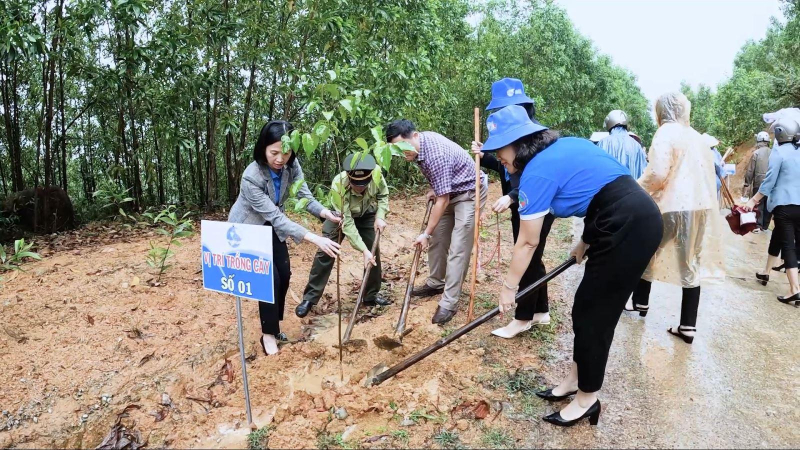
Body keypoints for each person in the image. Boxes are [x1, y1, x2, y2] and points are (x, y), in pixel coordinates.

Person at [482, 105, 662, 427]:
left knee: (596, 315)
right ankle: (573, 381)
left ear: (520, 143)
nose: (499, 158)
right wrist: (586, 241)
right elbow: (602, 190)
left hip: (627, 225)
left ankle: (587, 399)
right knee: (585, 309)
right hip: (625, 217)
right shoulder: (566, 145)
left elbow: (527, 242)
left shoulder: (536, 172)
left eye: (500, 149)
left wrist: (509, 288)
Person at [228, 121, 342, 356]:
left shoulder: (291, 163)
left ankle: (274, 324)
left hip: (273, 224)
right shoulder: (251, 177)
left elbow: (304, 195)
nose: (280, 159)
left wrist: (324, 212)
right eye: (274, 153)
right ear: (263, 149)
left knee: (285, 273)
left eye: (286, 152)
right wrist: (314, 238)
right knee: (269, 279)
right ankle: (268, 334)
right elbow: (274, 216)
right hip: (249, 227)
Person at [630, 92, 726, 344]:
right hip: (700, 206)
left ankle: (640, 303)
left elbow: (659, 173)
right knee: (690, 262)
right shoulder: (696, 137)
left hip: (672, 207)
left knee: (645, 250)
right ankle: (688, 325)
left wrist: (637, 188)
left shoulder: (665, 133)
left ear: (661, 111)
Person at [473, 77, 554, 337]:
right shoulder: (509, 138)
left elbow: (537, 178)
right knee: (534, 255)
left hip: (534, 204)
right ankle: (541, 311)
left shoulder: (536, 140)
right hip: (520, 204)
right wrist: (486, 155)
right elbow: (505, 167)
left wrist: (511, 197)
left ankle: (522, 317)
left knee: (528, 254)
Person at [386, 119, 487, 324]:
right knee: (439, 239)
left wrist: (425, 232)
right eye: (395, 149)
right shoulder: (418, 147)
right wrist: (436, 187)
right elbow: (442, 183)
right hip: (450, 190)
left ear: (414, 136)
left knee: (459, 246)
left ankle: (449, 302)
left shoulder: (435, 154)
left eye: (402, 146)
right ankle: (435, 282)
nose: (401, 152)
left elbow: (443, 200)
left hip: (469, 192)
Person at [296, 153, 391, 317]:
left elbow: (383, 195)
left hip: (367, 213)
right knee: (326, 251)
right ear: (348, 176)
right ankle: (310, 299)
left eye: (364, 184)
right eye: (356, 184)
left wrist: (380, 215)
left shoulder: (376, 174)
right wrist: (362, 250)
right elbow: (347, 223)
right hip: (340, 216)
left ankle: (370, 295)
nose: (360, 187)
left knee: (373, 252)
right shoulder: (338, 184)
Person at [745, 118, 800, 305]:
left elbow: (769, 181)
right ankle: (766, 272)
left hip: (784, 206)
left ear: (779, 133)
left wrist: (753, 200)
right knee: (780, 238)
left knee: (788, 246)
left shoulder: (779, 152)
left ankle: (794, 290)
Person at [596, 110, 648, 179]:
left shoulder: (603, 143)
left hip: (609, 189)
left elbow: (597, 170)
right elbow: (644, 172)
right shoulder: (636, 145)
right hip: (632, 189)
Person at [743, 131, 773, 230]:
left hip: (759, 183)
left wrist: (747, 183)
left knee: (758, 204)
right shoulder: (774, 152)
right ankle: (765, 226)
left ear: (758, 141)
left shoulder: (756, 153)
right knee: (768, 205)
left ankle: (758, 225)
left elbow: (750, 170)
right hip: (772, 184)